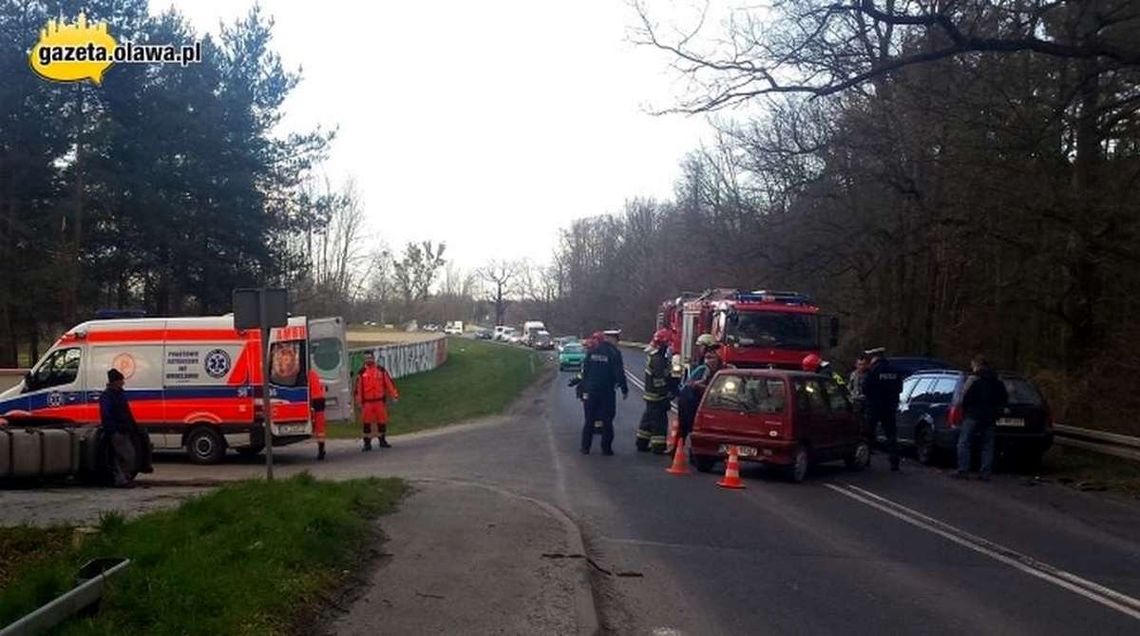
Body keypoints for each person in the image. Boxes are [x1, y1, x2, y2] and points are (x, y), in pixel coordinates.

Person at [570, 332, 627, 455]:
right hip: (606, 391)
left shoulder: (592, 352)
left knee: (589, 419)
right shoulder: (614, 353)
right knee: (607, 420)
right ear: (612, 339)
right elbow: (619, 373)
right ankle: (606, 449)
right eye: (616, 339)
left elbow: (585, 372)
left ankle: (585, 447)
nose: (617, 342)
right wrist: (624, 389)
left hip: (590, 390)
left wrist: (582, 387)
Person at [955, 354, 1008, 481]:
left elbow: (964, 397)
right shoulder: (997, 380)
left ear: (977, 365)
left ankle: (963, 470)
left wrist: (965, 409)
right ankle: (985, 472)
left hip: (973, 414)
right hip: (990, 416)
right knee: (988, 445)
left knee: (964, 442)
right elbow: (1004, 397)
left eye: (972, 365)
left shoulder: (974, 378)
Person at [636, 329, 679, 454]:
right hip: (657, 396)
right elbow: (660, 379)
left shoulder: (657, 357)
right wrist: (666, 393)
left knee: (648, 419)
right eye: (668, 344)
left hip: (652, 396)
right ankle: (658, 447)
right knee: (659, 422)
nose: (669, 347)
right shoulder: (658, 359)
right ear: (662, 344)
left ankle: (642, 442)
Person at [862, 347, 904, 471]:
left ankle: (866, 460)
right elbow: (900, 388)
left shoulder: (873, 371)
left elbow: (865, 388)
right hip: (889, 407)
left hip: (874, 407)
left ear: (875, 357)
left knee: (868, 434)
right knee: (891, 435)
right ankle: (894, 462)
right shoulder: (894, 370)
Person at [99, 368, 138, 487]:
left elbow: (127, 412)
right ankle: (122, 480)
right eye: (121, 380)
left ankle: (123, 478)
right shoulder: (108, 396)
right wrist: (113, 430)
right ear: (114, 381)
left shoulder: (119, 394)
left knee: (125, 456)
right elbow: (107, 414)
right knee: (125, 456)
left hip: (123, 429)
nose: (123, 382)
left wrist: (133, 426)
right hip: (117, 431)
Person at [355, 351, 399, 451]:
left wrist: (394, 395)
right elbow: (358, 389)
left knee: (382, 422)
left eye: (370, 358)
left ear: (373, 358)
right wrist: (359, 402)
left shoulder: (381, 370)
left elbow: (389, 384)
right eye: (366, 358)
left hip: (379, 401)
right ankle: (367, 444)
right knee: (366, 423)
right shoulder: (361, 373)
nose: (368, 360)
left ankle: (382, 441)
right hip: (367, 402)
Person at [677, 348, 723, 443]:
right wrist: (701, 386)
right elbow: (689, 384)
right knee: (686, 424)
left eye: (712, 358)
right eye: (707, 358)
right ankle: (678, 446)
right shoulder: (702, 369)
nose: (709, 360)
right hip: (690, 401)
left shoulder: (722, 371)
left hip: (706, 402)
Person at [848, 353, 872, 440]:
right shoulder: (854, 374)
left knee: (867, 423)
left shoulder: (870, 375)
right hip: (855, 401)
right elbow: (850, 387)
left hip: (866, 401)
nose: (861, 366)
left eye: (863, 364)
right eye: (859, 364)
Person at [308, 368, 327, 460]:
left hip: (314, 400)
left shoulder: (306, 374)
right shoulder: (313, 373)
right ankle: (321, 449)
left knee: (318, 427)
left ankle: (321, 450)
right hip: (319, 399)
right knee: (320, 428)